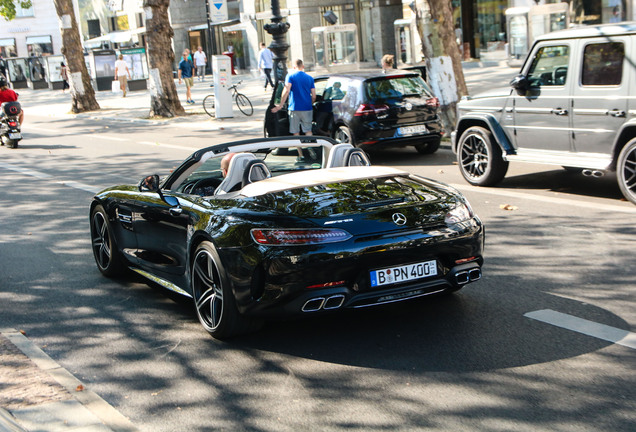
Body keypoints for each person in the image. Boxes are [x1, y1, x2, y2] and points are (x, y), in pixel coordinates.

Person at [271, 59, 315, 136]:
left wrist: (280, 105)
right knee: (308, 130)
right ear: (303, 66)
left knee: (295, 131)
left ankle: (300, 148)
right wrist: (310, 103)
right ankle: (309, 146)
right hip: (307, 108)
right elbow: (314, 96)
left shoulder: (290, 76)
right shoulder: (310, 78)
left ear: (294, 67)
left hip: (294, 108)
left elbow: (286, 90)